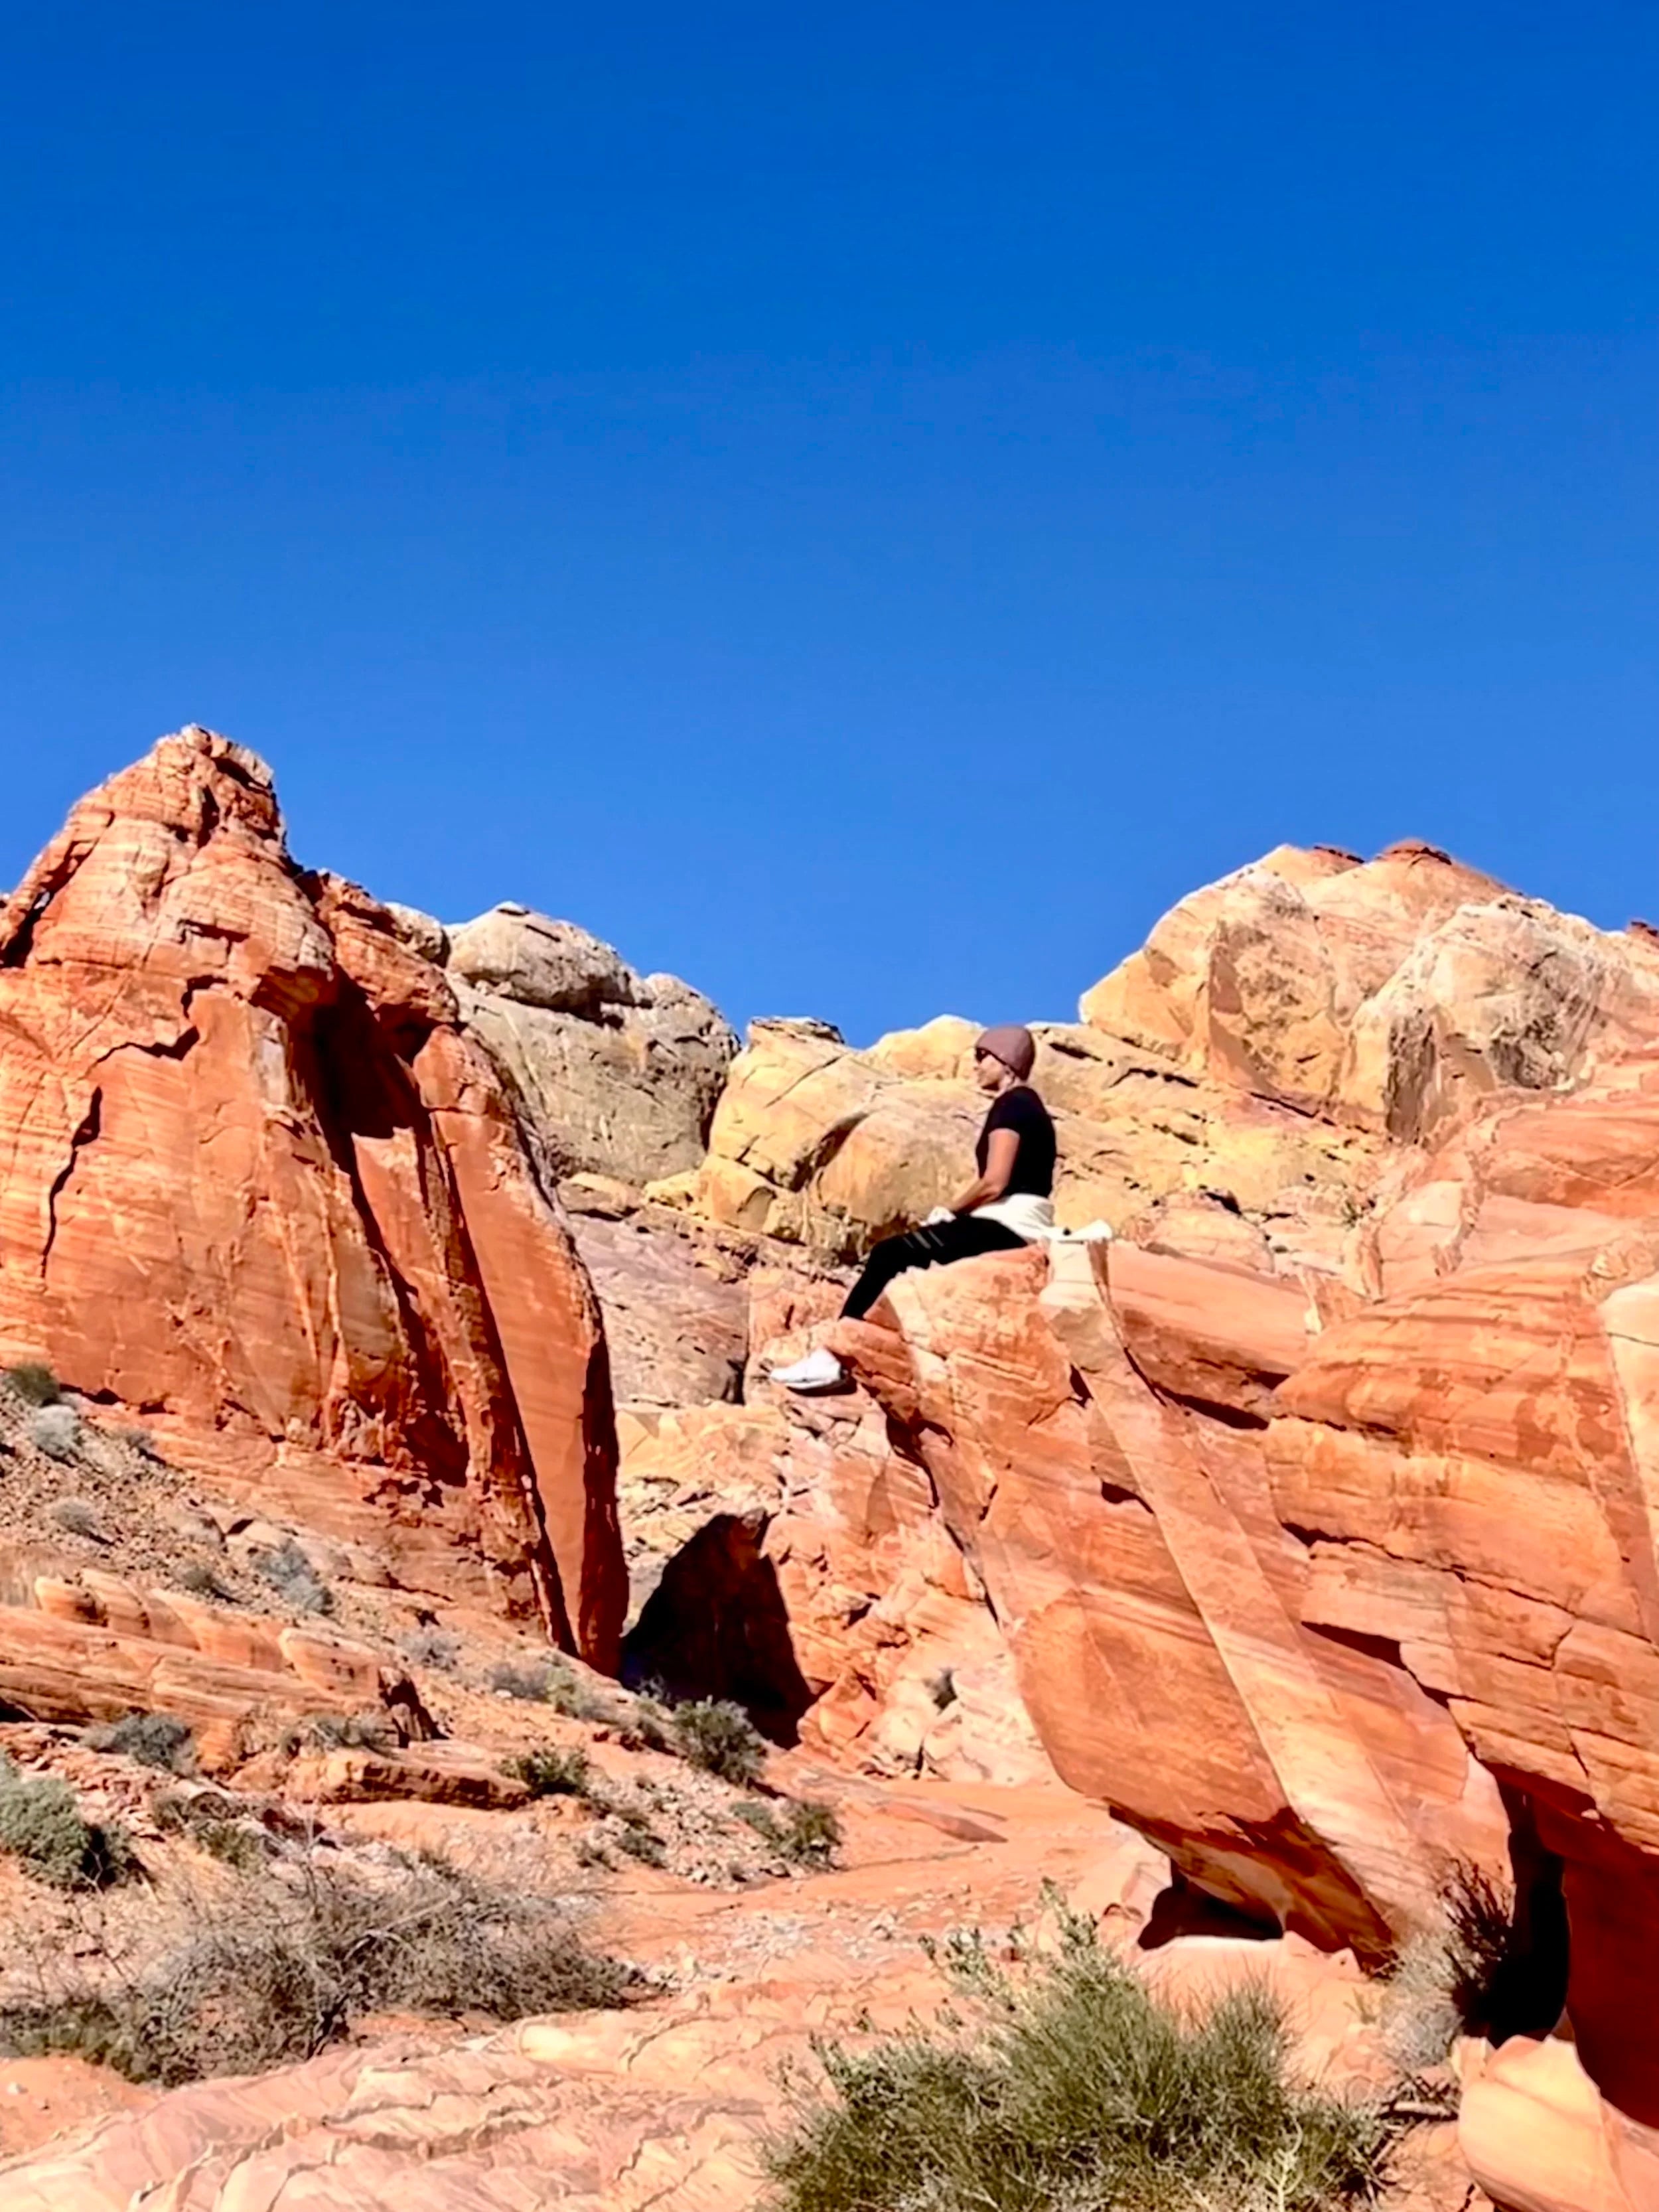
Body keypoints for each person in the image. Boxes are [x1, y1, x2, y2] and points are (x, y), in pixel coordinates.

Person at [769, 1023, 1056, 1392]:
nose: (976, 1065)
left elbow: (994, 1182)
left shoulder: (1011, 1105)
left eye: (983, 1057)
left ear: (1007, 1061)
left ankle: (834, 1359)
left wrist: (951, 1212)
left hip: (1005, 1224)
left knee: (890, 1255)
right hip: (1024, 1226)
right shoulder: (1034, 1108)